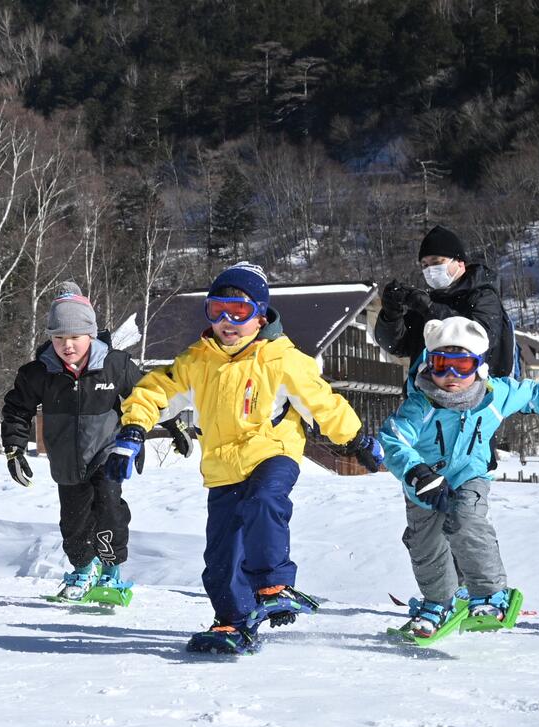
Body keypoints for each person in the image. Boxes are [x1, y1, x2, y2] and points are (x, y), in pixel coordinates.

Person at [109, 262, 384, 654]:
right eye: (217, 310)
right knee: (221, 554)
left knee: (264, 502)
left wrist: (356, 440)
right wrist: (134, 429)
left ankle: (272, 583)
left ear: (260, 314)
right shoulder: (197, 361)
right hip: (222, 468)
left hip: (273, 453)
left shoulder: (281, 357)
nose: (227, 321)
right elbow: (155, 391)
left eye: (239, 312)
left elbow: (322, 401)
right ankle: (232, 622)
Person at [379, 317, 539, 637]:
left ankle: (487, 593)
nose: (450, 376)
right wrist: (416, 472)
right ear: (429, 364)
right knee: (424, 543)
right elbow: (393, 439)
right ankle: (438, 601)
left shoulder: (495, 395)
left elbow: (533, 395)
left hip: (470, 475)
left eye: (461, 365)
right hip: (424, 484)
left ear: (479, 366)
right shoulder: (420, 405)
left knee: (466, 520)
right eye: (441, 364)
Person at [1, 281, 168, 600]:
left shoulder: (114, 365)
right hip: (66, 459)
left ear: (90, 335)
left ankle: (110, 572)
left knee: (108, 506)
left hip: (109, 453)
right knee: (74, 521)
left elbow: (149, 395)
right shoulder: (40, 373)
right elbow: (17, 409)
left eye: (75, 337)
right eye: (59, 337)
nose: (67, 345)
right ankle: (81, 570)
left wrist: (145, 433)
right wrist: (14, 448)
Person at [376, 225, 516, 378]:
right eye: (425, 265)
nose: (430, 270)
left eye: (437, 262)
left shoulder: (484, 296)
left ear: (460, 262)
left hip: (474, 390)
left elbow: (479, 338)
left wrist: (429, 308)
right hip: (426, 393)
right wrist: (391, 315)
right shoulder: (430, 301)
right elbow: (396, 345)